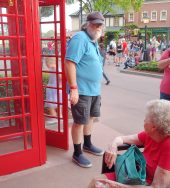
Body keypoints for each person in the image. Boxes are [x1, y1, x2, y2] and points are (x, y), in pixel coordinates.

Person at [88, 99, 170, 188]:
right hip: (139, 177)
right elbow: (122, 139)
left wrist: (121, 186)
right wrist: (113, 146)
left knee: (104, 186)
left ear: (154, 127)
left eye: (146, 118)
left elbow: (158, 187)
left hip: (156, 185)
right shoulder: (155, 134)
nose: (144, 120)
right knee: (96, 181)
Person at [64, 11, 105, 168]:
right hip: (82, 89)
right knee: (79, 121)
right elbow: (69, 63)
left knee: (89, 118)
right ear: (87, 24)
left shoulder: (92, 40)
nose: (97, 27)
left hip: (94, 90)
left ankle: (87, 145)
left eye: (100, 24)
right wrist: (74, 89)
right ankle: (77, 153)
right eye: (95, 23)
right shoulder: (80, 38)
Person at [45, 57, 62, 124]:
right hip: (50, 87)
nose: (46, 65)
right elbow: (50, 78)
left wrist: (60, 87)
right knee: (50, 103)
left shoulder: (58, 69)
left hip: (56, 88)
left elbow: (62, 79)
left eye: (47, 63)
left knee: (58, 103)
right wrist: (48, 84)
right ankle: (54, 116)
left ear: (52, 62)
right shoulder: (50, 69)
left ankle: (59, 117)